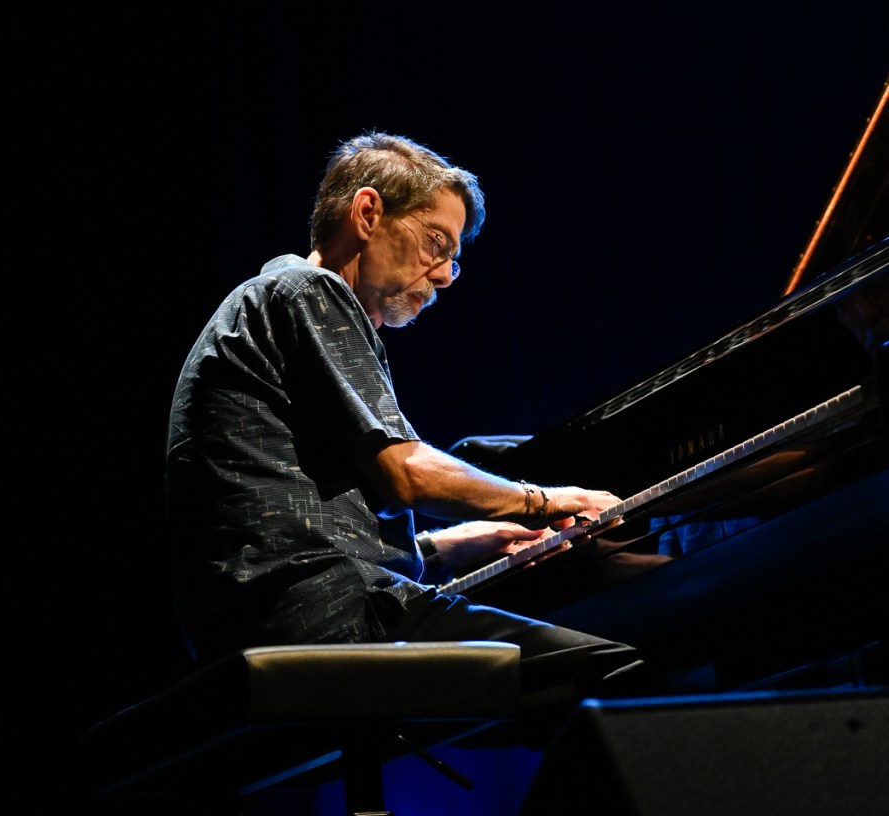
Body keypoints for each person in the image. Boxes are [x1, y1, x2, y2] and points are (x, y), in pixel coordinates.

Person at [165, 132, 662, 729]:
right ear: (367, 213)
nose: (447, 275)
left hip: (264, 619)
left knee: (557, 699)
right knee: (614, 675)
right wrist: (545, 500)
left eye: (454, 256)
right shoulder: (308, 292)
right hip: (329, 618)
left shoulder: (266, 305)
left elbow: (295, 532)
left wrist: (456, 543)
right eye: (436, 243)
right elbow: (407, 474)